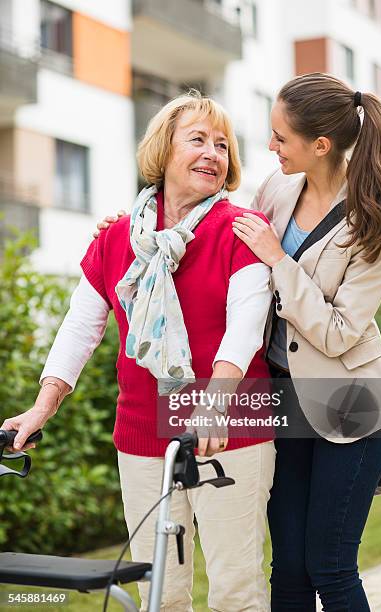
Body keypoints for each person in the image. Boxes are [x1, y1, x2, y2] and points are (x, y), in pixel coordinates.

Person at [1, 93, 276, 612]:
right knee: (160, 592)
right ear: (163, 150)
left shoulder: (240, 230)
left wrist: (215, 400)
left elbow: (246, 324)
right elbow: (80, 326)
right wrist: (43, 406)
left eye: (222, 145)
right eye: (197, 139)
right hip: (143, 431)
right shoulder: (119, 238)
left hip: (232, 427)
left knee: (236, 589)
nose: (212, 153)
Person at [232, 73, 381, 611]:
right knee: (288, 572)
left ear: (321, 145)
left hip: (351, 400)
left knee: (329, 566)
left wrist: (279, 260)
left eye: (281, 137)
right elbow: (225, 238)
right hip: (284, 398)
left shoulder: (378, 217)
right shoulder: (276, 189)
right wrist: (140, 219)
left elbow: (338, 331)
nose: (270, 146)